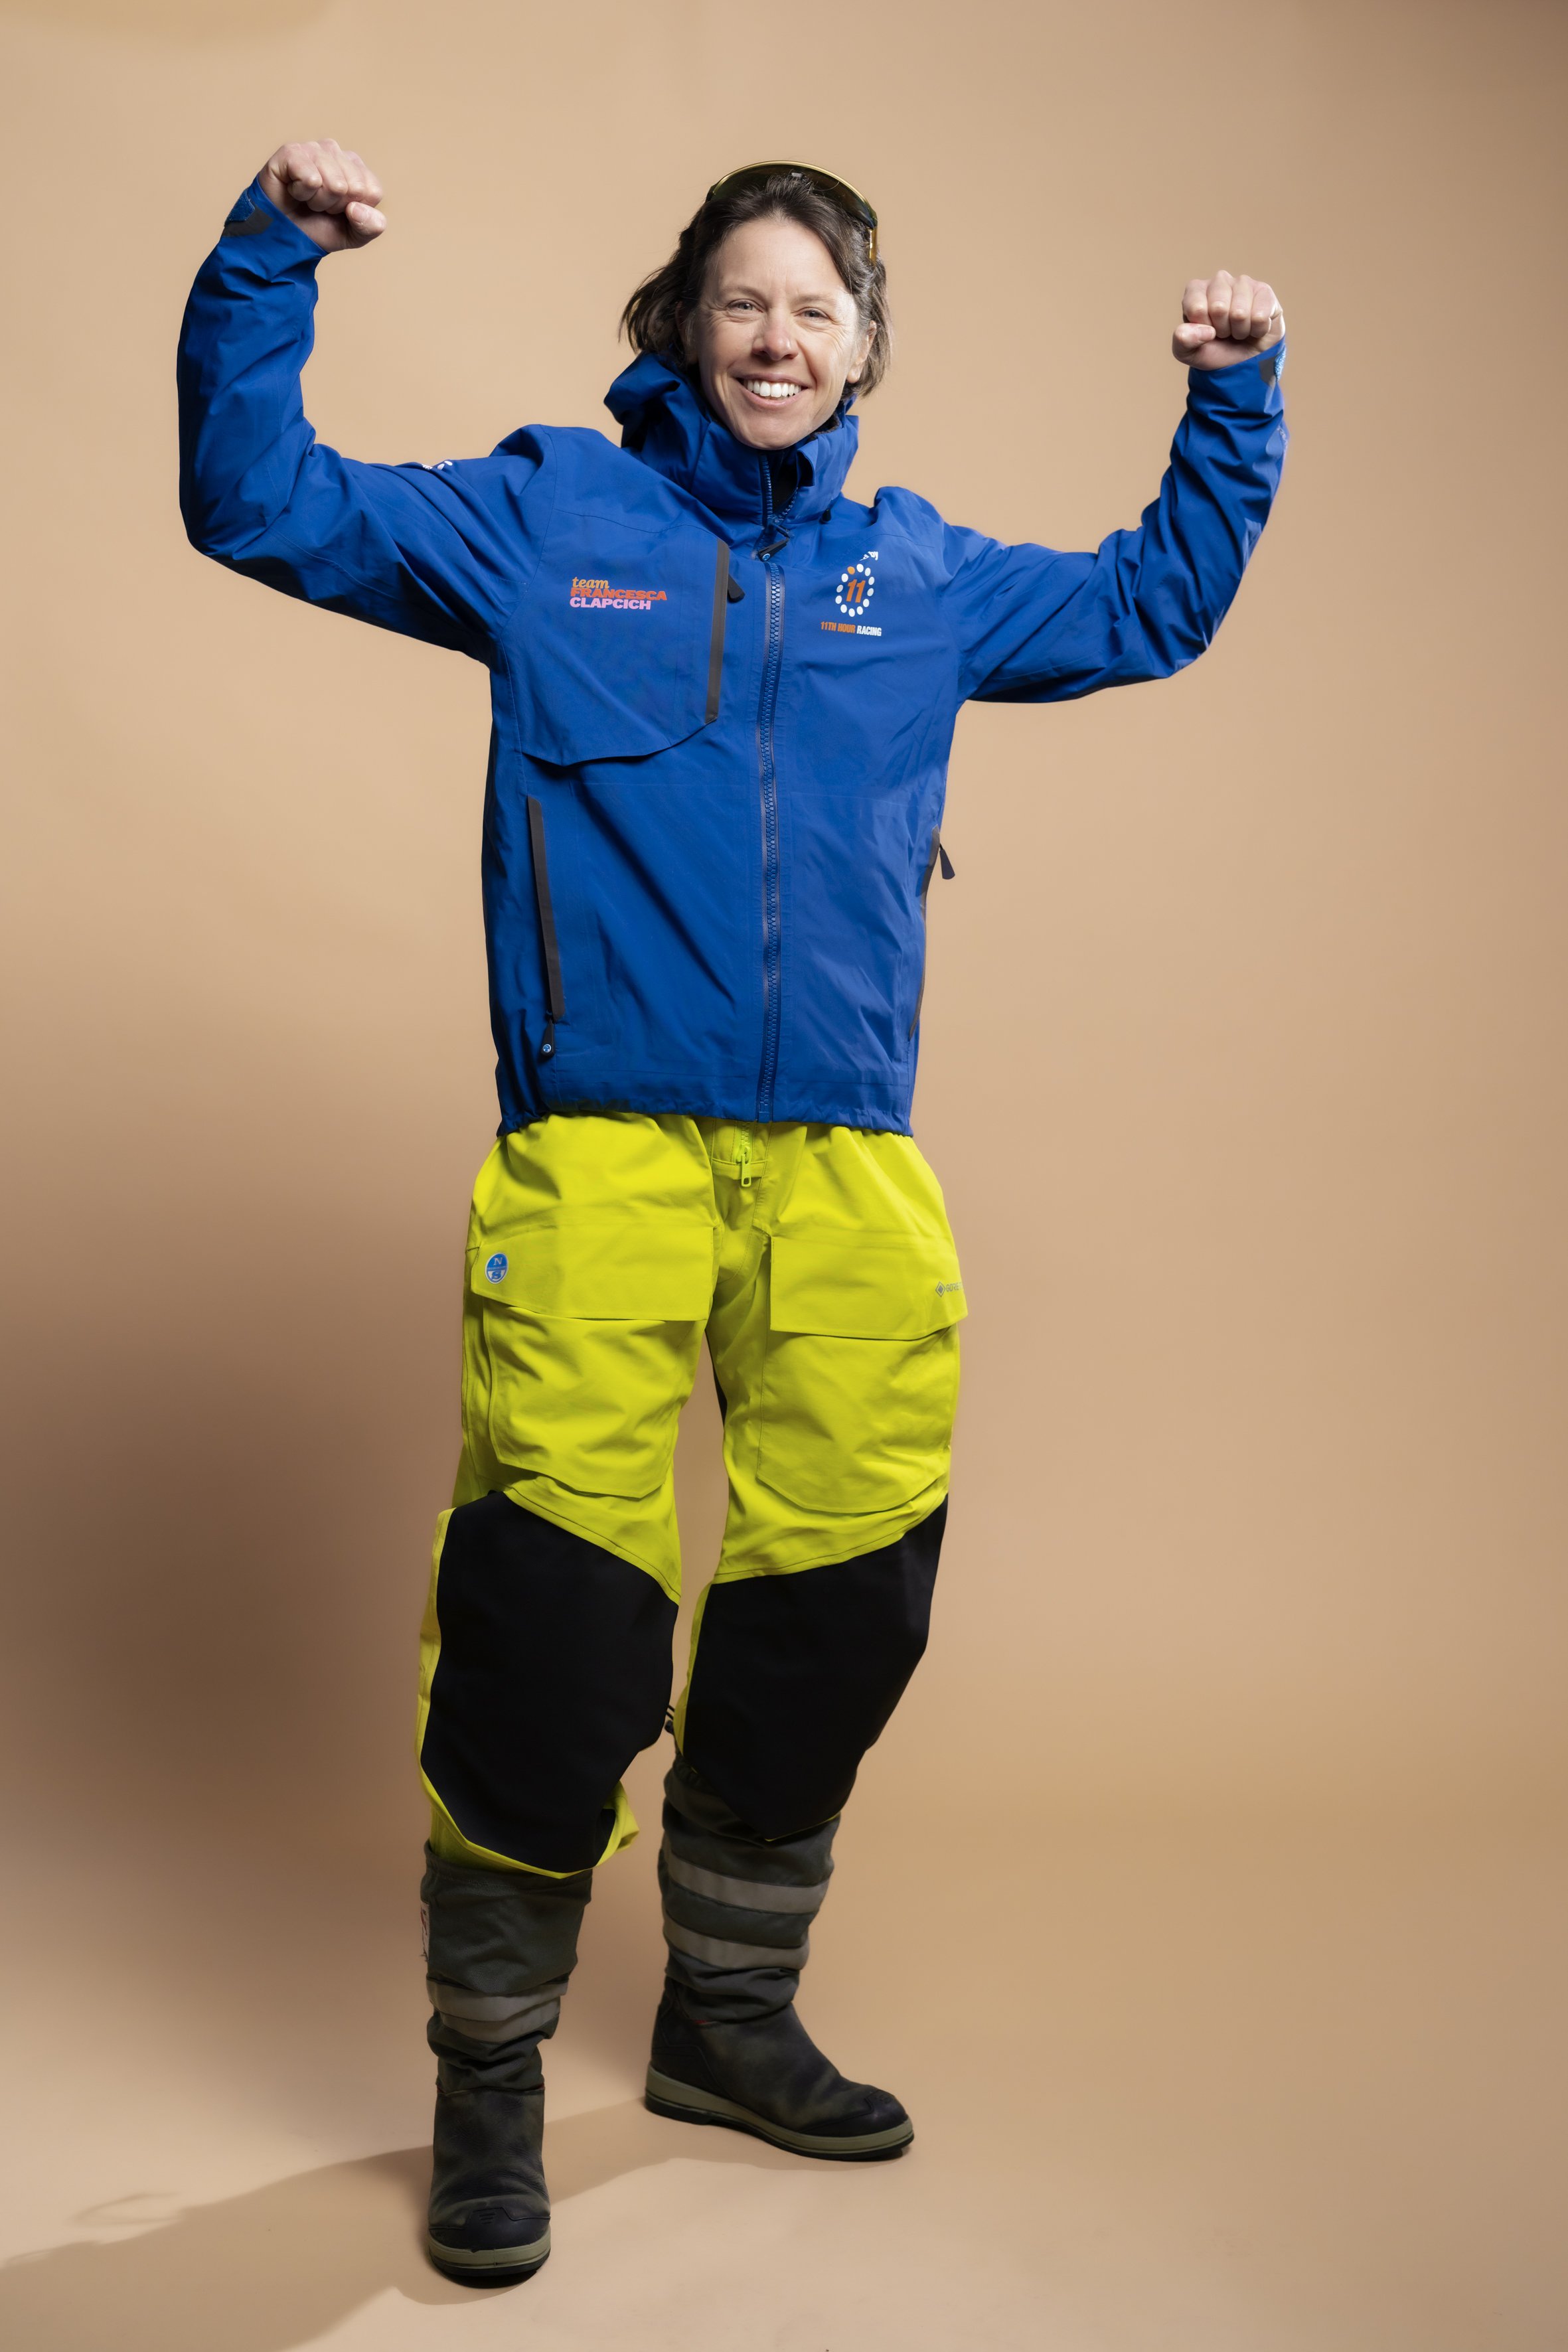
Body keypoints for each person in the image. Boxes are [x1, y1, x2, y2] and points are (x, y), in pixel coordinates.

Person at [178, 140, 1287, 2288]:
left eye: (819, 310)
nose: (778, 338)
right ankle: (486, 2076)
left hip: (848, 1167)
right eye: (745, 301)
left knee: (841, 1602)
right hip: (597, 1157)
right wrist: (266, 264)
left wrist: (1228, 403)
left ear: (866, 350)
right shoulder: (544, 522)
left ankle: (726, 2022)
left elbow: (1154, 603)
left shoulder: (922, 575)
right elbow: (264, 499)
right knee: (548, 1620)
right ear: (684, 320)